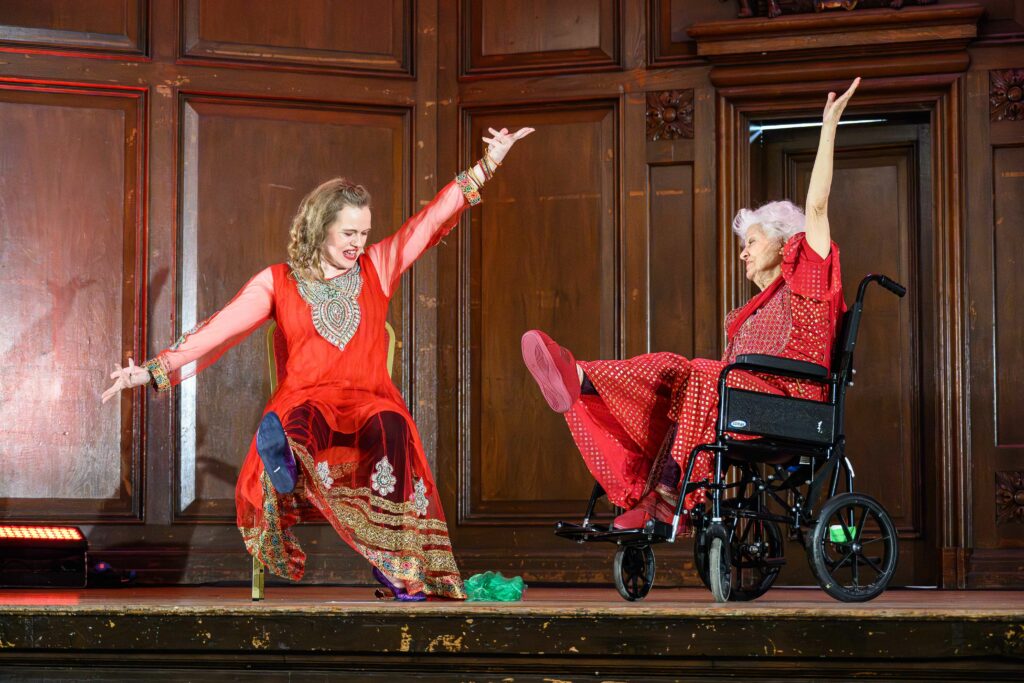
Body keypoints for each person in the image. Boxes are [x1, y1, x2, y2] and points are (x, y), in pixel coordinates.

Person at [103, 126, 534, 600]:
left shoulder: (378, 265)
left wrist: (488, 163)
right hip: (310, 402)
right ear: (320, 227)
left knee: (392, 425)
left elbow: (429, 222)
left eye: (364, 232)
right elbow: (219, 329)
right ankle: (285, 464)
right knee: (299, 422)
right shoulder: (278, 281)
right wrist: (150, 370)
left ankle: (392, 560)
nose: (357, 241)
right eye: (349, 232)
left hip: (368, 402)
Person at [522, 79, 860, 530]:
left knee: (702, 372)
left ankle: (667, 498)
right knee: (671, 366)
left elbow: (816, 208)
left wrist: (829, 128)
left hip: (793, 405)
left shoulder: (809, 282)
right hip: (744, 399)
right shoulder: (753, 313)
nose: (743, 252)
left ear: (784, 245)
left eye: (752, 242)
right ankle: (579, 377)